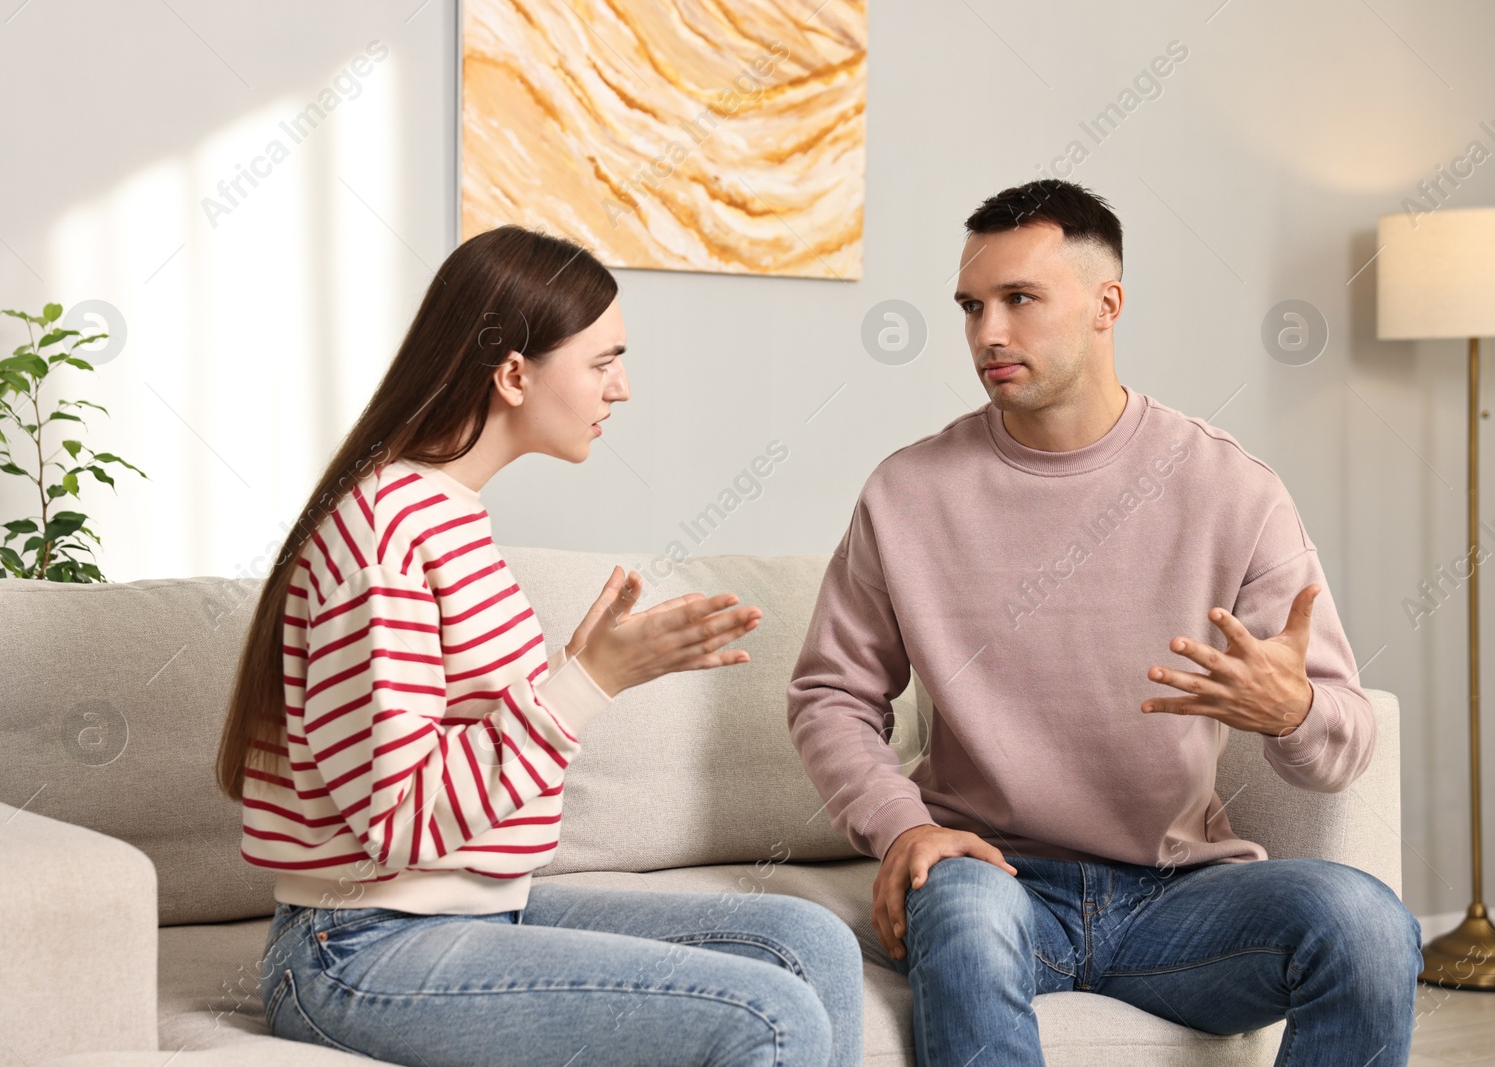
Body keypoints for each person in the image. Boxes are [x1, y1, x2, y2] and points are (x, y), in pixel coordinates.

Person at [786, 179, 1422, 1066]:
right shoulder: (908, 493)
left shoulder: (1232, 490)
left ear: (1105, 304)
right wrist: (904, 825)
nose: (986, 335)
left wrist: (1293, 713)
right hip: (992, 877)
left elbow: (1345, 737)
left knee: (1369, 924)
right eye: (972, 307)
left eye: (1019, 300)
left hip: (1183, 897)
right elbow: (829, 695)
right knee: (964, 913)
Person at [215, 224, 864, 1067]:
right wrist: (588, 682)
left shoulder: (447, 512)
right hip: (359, 948)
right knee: (769, 1015)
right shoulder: (386, 533)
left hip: (471, 910)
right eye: (602, 361)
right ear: (515, 372)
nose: (622, 388)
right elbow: (402, 818)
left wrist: (575, 672)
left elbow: (463, 744)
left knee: (808, 941)